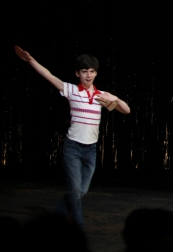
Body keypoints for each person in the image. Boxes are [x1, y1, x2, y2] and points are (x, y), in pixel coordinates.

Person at [14, 45, 131, 228]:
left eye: (92, 71)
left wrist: (114, 98)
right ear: (78, 73)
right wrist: (30, 60)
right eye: (85, 71)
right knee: (75, 190)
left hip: (91, 150)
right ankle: (78, 226)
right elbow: (49, 76)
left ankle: (54, 220)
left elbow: (126, 110)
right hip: (73, 148)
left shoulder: (101, 97)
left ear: (96, 74)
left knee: (80, 191)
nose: (89, 75)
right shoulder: (72, 91)